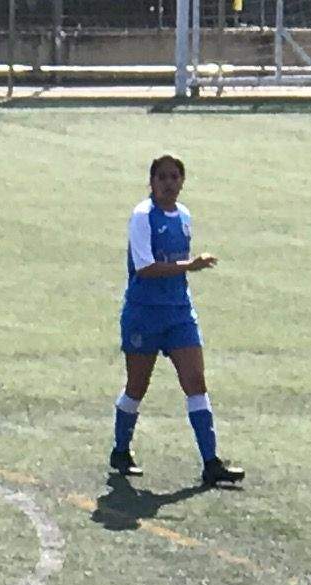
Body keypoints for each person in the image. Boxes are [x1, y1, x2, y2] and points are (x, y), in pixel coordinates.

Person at [112, 154, 243, 488]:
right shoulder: (142, 217)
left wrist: (187, 269)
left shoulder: (184, 215)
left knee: (196, 382)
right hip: (144, 314)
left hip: (179, 313)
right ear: (152, 182)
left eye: (174, 177)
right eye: (162, 177)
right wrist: (190, 266)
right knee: (137, 387)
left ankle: (211, 462)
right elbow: (146, 267)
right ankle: (121, 450)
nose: (169, 183)